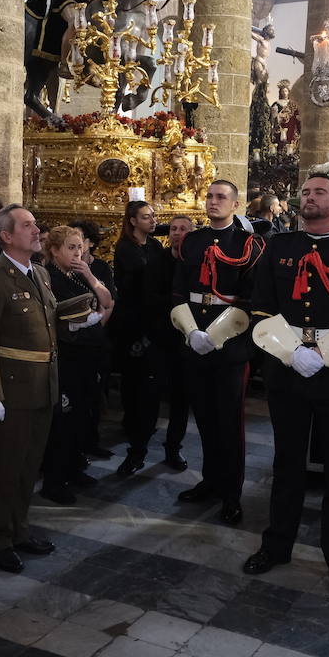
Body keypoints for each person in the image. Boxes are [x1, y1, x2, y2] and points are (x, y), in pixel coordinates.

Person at [243, 172, 329, 605]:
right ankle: (276, 544)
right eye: (305, 191)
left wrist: (322, 353)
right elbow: (262, 309)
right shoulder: (278, 247)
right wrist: (292, 353)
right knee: (286, 463)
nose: (310, 196)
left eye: (320, 191)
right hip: (288, 370)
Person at [0, 204, 59, 572]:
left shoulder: (40, 273)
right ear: (6, 236)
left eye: (36, 224)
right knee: (4, 468)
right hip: (10, 391)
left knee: (28, 466)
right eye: (27, 226)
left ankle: (20, 528)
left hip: (42, 387)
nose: (37, 230)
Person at [172, 181, 263, 526]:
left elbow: (252, 300)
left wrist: (218, 336)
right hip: (194, 339)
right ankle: (210, 480)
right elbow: (179, 291)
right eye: (209, 196)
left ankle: (232, 493)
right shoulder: (192, 242)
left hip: (230, 346)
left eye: (220, 197)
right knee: (205, 418)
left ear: (236, 204)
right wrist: (192, 331)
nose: (212, 202)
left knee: (229, 423)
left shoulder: (249, 245)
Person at [111, 201, 187, 476]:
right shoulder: (157, 258)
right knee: (148, 399)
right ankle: (137, 452)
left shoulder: (195, 261)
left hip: (186, 342)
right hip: (157, 338)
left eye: (183, 229)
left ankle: (173, 449)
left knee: (180, 400)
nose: (178, 232)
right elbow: (148, 298)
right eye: (174, 228)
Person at [42, 226, 113, 504]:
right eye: (70, 247)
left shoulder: (79, 276)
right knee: (64, 419)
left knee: (83, 414)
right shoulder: (49, 277)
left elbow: (106, 301)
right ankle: (55, 479)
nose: (77, 252)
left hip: (87, 354)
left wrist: (90, 274)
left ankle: (74, 466)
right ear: (54, 251)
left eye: (79, 246)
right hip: (67, 357)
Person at [69, 219, 118, 460]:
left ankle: (91, 441)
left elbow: (108, 303)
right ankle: (76, 447)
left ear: (89, 243)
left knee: (96, 394)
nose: (76, 247)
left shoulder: (100, 268)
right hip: (73, 341)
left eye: (80, 241)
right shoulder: (62, 269)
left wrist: (96, 327)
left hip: (95, 338)